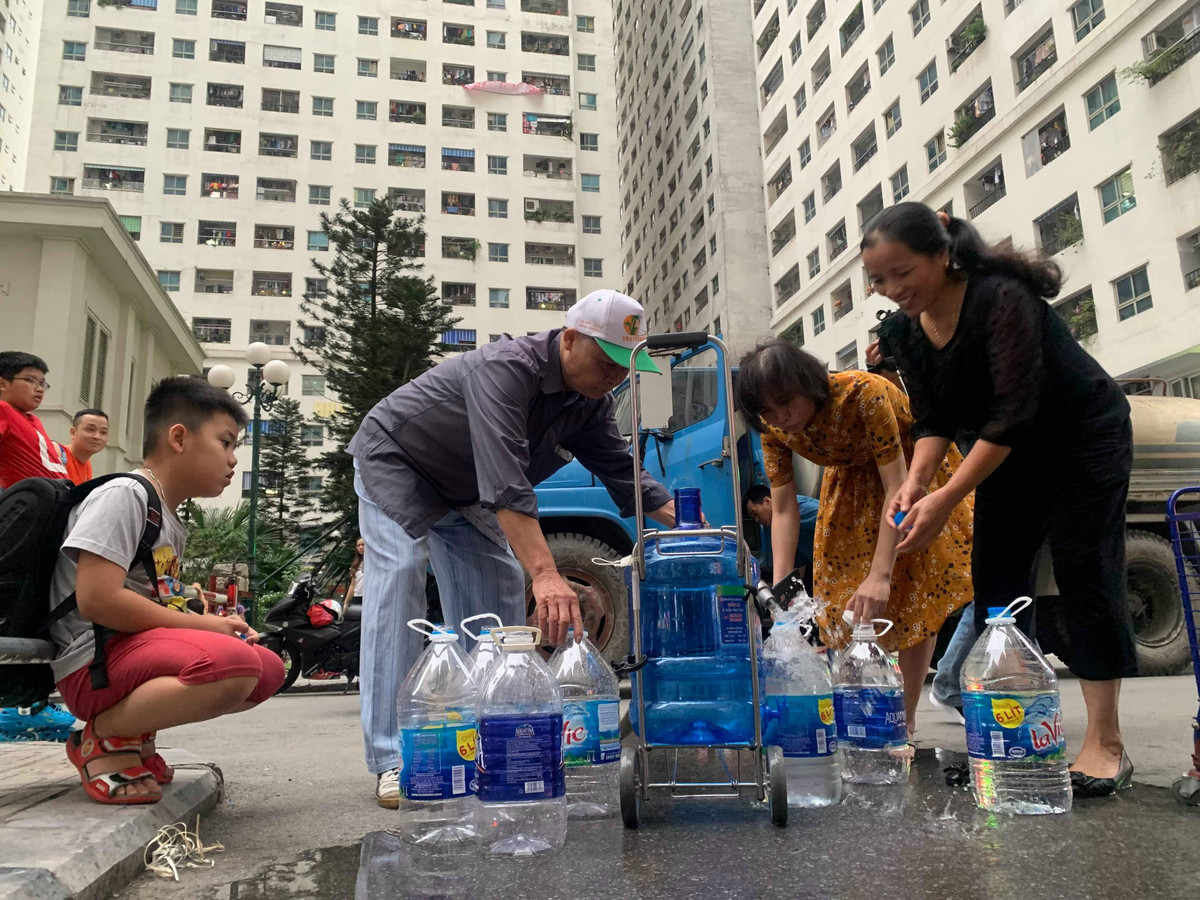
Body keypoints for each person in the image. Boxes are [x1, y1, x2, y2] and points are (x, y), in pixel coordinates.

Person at [348, 289, 677, 807]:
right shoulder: (505, 370)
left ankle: (485, 743)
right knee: (401, 576)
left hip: (465, 489)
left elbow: (625, 475)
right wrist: (545, 573)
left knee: (499, 592)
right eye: (607, 362)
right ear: (570, 339)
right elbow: (506, 486)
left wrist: (697, 530)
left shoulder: (588, 404)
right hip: (399, 461)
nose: (614, 377)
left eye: (625, 367)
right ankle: (395, 758)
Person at [862, 202, 1137, 797]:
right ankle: (1015, 732)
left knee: (1084, 570)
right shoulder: (906, 331)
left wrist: (946, 497)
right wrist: (916, 482)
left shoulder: (1001, 298)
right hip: (1007, 454)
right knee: (998, 588)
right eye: (879, 280)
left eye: (902, 273)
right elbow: (934, 418)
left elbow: (1014, 412)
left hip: (1081, 439)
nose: (893, 289)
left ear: (942, 254)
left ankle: (1106, 744)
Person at [47, 376, 285, 804]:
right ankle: (102, 739)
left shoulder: (164, 514)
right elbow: (98, 599)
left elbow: (160, 602)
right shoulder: (125, 495)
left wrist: (214, 622)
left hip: (130, 653)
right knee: (234, 665)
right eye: (225, 442)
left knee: (266, 668)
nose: (233, 459)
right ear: (178, 438)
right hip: (92, 663)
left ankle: (136, 736)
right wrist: (206, 630)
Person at [736, 338, 973, 742]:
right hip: (849, 490)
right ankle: (861, 715)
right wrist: (783, 588)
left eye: (785, 402)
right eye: (767, 411)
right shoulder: (774, 428)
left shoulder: (863, 393)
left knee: (914, 597)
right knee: (842, 606)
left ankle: (904, 722)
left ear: (808, 384)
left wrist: (881, 575)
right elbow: (783, 507)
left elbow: (897, 486)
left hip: (911, 478)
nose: (780, 417)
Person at [0, 351, 68, 489]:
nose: (39, 389)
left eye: (42, 383)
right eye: (30, 380)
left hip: (61, 495)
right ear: (2, 384)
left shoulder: (34, 420)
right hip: (35, 498)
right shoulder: (3, 409)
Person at [742, 483, 820, 581]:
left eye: (755, 513)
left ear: (767, 501)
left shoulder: (796, 510)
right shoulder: (775, 526)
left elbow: (831, 521)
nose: (757, 520)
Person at [55, 408, 111, 484]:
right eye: (90, 429)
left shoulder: (87, 466)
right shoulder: (56, 452)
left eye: (103, 432)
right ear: (73, 432)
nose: (97, 436)